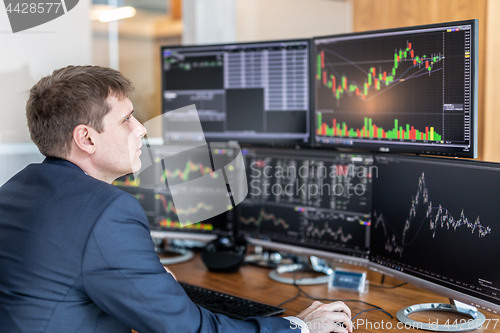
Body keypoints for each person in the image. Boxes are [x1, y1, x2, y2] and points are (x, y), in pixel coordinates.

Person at [0, 65, 353, 333]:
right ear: (86, 139)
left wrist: (147, 283)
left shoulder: (15, 191)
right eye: (126, 119)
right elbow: (188, 329)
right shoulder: (107, 211)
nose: (141, 128)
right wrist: (299, 327)